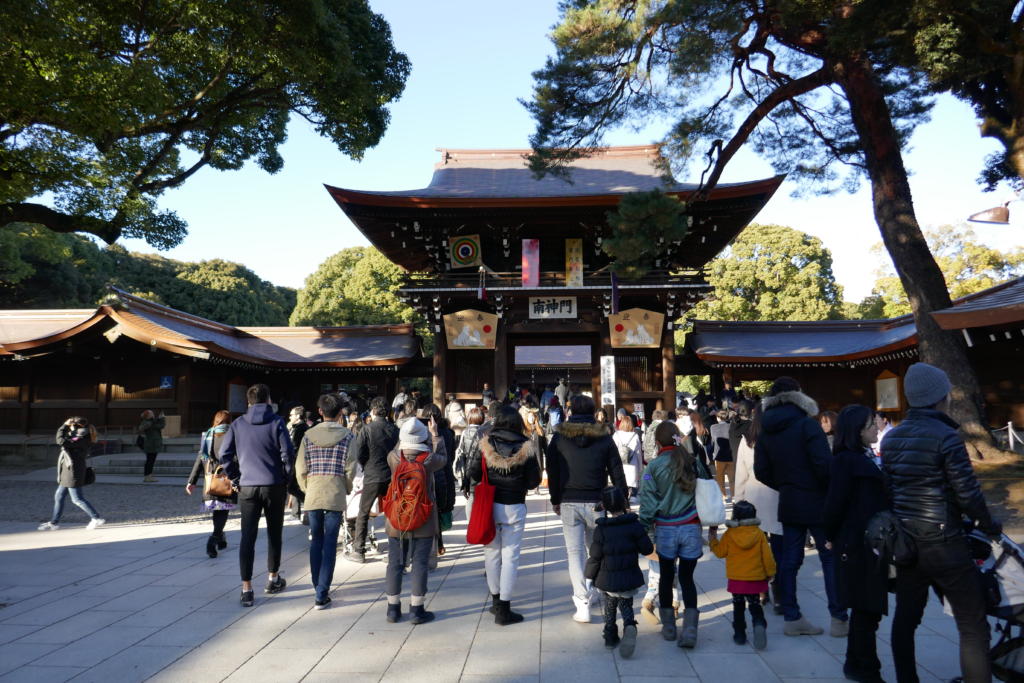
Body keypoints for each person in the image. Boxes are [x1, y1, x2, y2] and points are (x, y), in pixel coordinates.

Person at [883, 362, 1001, 683]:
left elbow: (889, 490)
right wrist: (991, 526)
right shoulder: (946, 436)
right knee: (972, 626)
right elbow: (968, 495)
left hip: (908, 544)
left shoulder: (891, 439)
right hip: (946, 543)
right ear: (939, 396)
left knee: (905, 621)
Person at [754, 376, 845, 637]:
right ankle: (839, 618)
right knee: (829, 557)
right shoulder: (808, 425)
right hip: (817, 500)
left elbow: (761, 470)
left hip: (790, 499)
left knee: (789, 561)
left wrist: (785, 483)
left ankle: (792, 616)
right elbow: (823, 464)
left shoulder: (766, 431)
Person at [546, 393, 628, 623]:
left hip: (569, 499)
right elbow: (616, 468)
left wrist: (555, 498)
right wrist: (620, 499)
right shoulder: (603, 436)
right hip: (597, 500)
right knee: (596, 550)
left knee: (574, 553)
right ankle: (597, 588)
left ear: (571, 411)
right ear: (593, 411)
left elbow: (553, 470)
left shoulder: (560, 437)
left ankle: (582, 601)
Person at [823, 404, 889, 683]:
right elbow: (834, 504)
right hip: (856, 543)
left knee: (867, 609)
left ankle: (855, 663)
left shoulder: (859, 458)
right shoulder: (847, 462)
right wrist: (830, 536)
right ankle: (866, 668)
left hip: (865, 541)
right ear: (858, 430)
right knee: (866, 608)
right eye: (872, 425)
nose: (877, 428)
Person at [219, 383, 294, 608]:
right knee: (274, 533)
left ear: (248, 401)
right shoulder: (278, 422)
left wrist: (235, 477)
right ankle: (272, 578)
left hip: (248, 485)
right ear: (268, 400)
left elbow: (224, 454)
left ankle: (246, 588)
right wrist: (286, 478)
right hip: (273, 484)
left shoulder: (238, 424)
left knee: (247, 536)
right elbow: (288, 454)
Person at [467, 405, 542, 625]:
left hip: (490, 504)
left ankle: (496, 602)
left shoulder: (485, 443)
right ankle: (505, 609)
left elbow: (473, 472)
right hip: (514, 505)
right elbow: (533, 481)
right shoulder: (525, 447)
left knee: (491, 554)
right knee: (510, 557)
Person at [639, 420, 704, 648]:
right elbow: (707, 486)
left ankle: (668, 628)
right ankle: (690, 630)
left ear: (657, 443)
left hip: (665, 529)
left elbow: (647, 501)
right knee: (687, 578)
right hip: (691, 526)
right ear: (677, 438)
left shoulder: (652, 468)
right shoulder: (692, 461)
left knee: (667, 577)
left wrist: (644, 527)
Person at [384, 415, 447, 625]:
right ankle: (416, 609)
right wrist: (435, 435)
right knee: (419, 563)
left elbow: (396, 448)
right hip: (423, 517)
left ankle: (393, 609)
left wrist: (403, 433)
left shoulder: (394, 457)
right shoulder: (430, 459)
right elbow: (444, 458)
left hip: (397, 518)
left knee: (395, 563)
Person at [296, 393, 354, 610]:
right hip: (335, 492)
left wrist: (306, 488)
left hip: (313, 492)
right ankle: (322, 591)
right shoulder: (348, 437)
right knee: (330, 543)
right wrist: (345, 488)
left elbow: (300, 468)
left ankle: (316, 584)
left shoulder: (308, 436)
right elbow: (351, 467)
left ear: (320, 411)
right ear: (340, 413)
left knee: (316, 540)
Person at [584, 486, 657, 657]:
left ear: (605, 507)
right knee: (626, 604)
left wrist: (589, 576)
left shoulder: (602, 529)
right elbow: (647, 549)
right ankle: (630, 626)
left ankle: (610, 635)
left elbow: (595, 556)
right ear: (624, 502)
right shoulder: (634, 525)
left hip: (607, 577)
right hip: (628, 576)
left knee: (610, 605)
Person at [732, 404, 782, 610]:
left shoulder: (748, 441)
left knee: (757, 548)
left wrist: (738, 500)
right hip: (777, 496)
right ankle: (779, 591)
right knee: (779, 549)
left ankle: (761, 590)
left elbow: (741, 474)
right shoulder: (781, 439)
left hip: (754, 498)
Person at [708, 500, 775, 650]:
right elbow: (767, 556)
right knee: (755, 604)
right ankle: (758, 624)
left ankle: (739, 634)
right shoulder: (758, 534)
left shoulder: (730, 534)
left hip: (736, 579)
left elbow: (720, 553)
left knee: (738, 607)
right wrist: (770, 572)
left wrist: (713, 541)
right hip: (755, 578)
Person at [347, 397, 399, 563]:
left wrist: (367, 465)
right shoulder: (394, 429)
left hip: (372, 474)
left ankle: (359, 550)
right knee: (392, 512)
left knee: (363, 512)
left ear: (373, 411)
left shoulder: (367, 430)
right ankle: (394, 550)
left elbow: (360, 453)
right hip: (391, 474)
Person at [39, 417, 105, 531]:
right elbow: (66, 439)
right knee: (59, 496)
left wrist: (64, 426)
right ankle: (54, 522)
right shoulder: (80, 436)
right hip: (69, 472)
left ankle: (96, 518)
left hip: (73, 472)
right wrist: (68, 428)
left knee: (77, 499)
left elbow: (61, 440)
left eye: (72, 425)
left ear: (77, 426)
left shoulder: (82, 438)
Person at [186, 410, 236, 557]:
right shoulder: (232, 435)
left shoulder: (208, 435)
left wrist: (192, 481)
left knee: (218, 510)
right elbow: (236, 458)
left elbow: (200, 458)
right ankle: (213, 539)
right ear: (229, 421)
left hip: (210, 479)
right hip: (226, 479)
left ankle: (220, 538)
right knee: (222, 511)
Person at [422, 403, 456, 558]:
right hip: (446, 471)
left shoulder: (424, 433)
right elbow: (452, 455)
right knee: (440, 508)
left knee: (430, 508)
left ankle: (433, 544)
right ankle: (439, 543)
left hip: (430, 472)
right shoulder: (448, 433)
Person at [286, 406, 309, 525]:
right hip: (294, 460)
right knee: (293, 486)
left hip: (298, 461)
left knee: (292, 486)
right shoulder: (294, 427)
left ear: (298, 416)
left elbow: (294, 445)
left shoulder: (302, 428)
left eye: (292, 415)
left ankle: (308, 506)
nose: (290, 417)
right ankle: (297, 512)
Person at [612, 416, 643, 496]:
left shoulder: (616, 435)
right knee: (633, 495)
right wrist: (640, 469)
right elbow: (639, 454)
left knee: (621, 493)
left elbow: (612, 452)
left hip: (620, 466)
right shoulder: (635, 436)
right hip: (632, 467)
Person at [710, 409, 735, 500]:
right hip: (731, 455)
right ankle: (734, 497)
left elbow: (713, 441)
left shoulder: (713, 427)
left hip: (718, 455)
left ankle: (723, 496)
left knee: (720, 478)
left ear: (717, 418)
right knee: (732, 478)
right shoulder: (731, 426)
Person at [138, 409, 165, 483]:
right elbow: (141, 428)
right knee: (150, 461)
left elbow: (161, 426)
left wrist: (161, 419)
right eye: (151, 413)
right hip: (150, 444)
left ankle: (149, 475)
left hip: (153, 444)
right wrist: (161, 419)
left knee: (151, 461)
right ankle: (147, 476)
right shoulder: (147, 422)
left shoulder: (152, 422)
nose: (153, 414)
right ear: (148, 415)